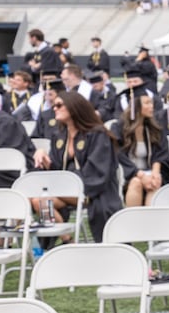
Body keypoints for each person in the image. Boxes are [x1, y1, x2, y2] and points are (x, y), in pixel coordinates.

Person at [34, 90, 122, 241]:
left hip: (93, 190)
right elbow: (56, 169)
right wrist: (44, 156)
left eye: (59, 105)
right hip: (67, 190)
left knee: (41, 197)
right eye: (54, 105)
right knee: (39, 201)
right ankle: (67, 240)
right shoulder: (59, 136)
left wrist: (67, 182)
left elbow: (98, 172)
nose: (54, 108)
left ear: (74, 107)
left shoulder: (98, 135)